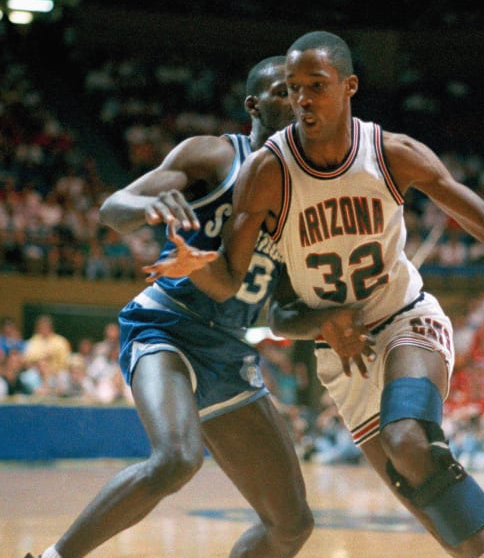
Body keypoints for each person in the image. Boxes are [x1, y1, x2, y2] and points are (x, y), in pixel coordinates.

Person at [148, 31, 484, 558]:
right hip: (343, 355)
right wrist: (198, 269)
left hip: (405, 318)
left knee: (409, 441)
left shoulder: (391, 154)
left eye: (317, 86)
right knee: (416, 489)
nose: (303, 98)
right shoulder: (267, 173)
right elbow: (249, 293)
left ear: (349, 87)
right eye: (296, 87)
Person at [24, 56, 313, 558]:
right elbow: (114, 209)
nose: (297, 101)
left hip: (230, 348)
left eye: (304, 91)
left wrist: (343, 319)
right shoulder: (215, 156)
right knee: (177, 459)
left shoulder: (307, 192)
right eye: (283, 91)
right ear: (254, 104)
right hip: (167, 326)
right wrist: (148, 207)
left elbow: (286, 307)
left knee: (292, 525)